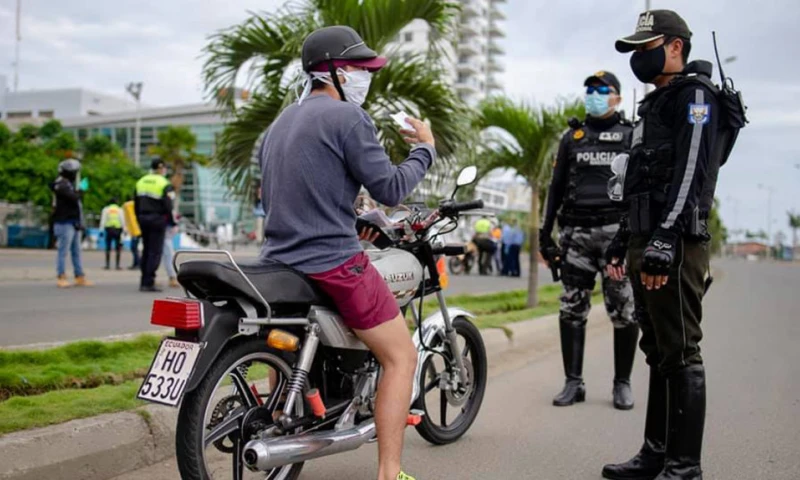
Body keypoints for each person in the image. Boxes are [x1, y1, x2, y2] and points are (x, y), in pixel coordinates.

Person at [257, 25, 436, 480]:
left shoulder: (281, 123)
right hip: (332, 263)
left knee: (292, 339)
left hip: (276, 261)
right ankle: (389, 471)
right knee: (401, 357)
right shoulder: (348, 119)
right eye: (360, 67)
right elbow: (391, 189)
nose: (366, 75)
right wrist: (425, 150)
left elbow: (286, 194)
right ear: (332, 71)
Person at [602, 10, 726, 479]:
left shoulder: (696, 97)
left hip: (673, 244)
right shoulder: (654, 104)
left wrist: (664, 240)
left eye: (645, 46)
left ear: (675, 46)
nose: (638, 56)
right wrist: (622, 239)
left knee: (681, 351)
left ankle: (684, 466)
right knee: (657, 350)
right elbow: (638, 180)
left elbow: (691, 172)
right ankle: (655, 454)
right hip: (645, 239)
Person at [539, 70, 638, 411]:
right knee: (571, 308)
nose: (594, 95)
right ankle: (573, 383)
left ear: (617, 98)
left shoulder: (630, 134)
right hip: (575, 237)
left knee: (624, 310)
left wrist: (632, 236)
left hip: (616, 238)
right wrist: (544, 233)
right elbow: (555, 188)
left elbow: (638, 188)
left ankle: (622, 384)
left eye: (601, 90)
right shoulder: (573, 137)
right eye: (590, 90)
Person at [50, 158, 93, 288]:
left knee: (76, 251)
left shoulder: (68, 184)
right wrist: (80, 190)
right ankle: (61, 276)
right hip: (64, 222)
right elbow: (73, 197)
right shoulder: (61, 185)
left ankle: (79, 276)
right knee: (63, 251)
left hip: (73, 222)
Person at [135, 158, 174, 293]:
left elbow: (136, 203)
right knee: (155, 252)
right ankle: (149, 282)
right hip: (157, 220)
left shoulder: (141, 181)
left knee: (146, 251)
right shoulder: (164, 183)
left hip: (142, 218)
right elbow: (168, 205)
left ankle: (143, 280)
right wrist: (171, 221)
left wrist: (138, 219)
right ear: (161, 168)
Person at [100, 198, 126, 270]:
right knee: (118, 248)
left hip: (109, 230)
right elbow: (122, 220)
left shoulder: (106, 209)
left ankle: (107, 265)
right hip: (118, 230)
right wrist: (125, 230)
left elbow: (103, 220)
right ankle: (117, 265)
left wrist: (101, 230)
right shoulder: (119, 210)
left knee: (108, 248)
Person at [123, 197, 142, 269]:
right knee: (134, 248)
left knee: (134, 248)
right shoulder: (137, 206)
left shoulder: (129, 206)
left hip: (135, 231)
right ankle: (137, 263)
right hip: (137, 230)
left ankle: (137, 264)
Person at [161, 214, 180, 288]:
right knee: (168, 256)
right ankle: (172, 277)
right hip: (165, 234)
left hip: (166, 234)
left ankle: (172, 277)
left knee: (167, 256)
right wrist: (173, 222)